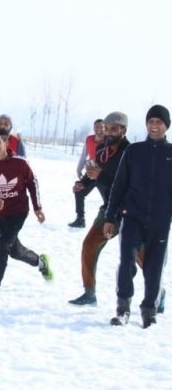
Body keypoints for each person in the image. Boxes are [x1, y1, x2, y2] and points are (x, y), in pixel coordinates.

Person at [104, 105, 172, 328]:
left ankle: (148, 312)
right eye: (151, 121)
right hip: (132, 217)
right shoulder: (134, 151)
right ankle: (123, 309)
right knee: (126, 263)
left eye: (159, 122)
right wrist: (110, 217)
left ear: (166, 126)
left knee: (153, 269)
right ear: (146, 124)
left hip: (160, 223)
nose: (154, 126)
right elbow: (119, 186)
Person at [68, 112, 138, 306]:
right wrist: (83, 183)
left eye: (113, 128)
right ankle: (89, 293)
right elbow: (95, 176)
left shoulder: (131, 153)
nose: (107, 132)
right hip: (109, 210)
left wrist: (101, 176)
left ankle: (157, 293)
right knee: (89, 245)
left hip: (130, 212)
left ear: (124, 130)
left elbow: (129, 185)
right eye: (106, 128)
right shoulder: (101, 151)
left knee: (143, 259)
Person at [0, 127, 52, 297]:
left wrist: (37, 207)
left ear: (6, 142)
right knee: (15, 251)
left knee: (3, 246)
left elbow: (33, 183)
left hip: (18, 211)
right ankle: (41, 263)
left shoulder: (20, 163)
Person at [0, 114, 26, 242]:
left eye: (6, 124)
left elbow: (23, 164)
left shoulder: (17, 143)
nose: (3, 126)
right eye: (1, 123)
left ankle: (9, 236)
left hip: (11, 183)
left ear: (10, 126)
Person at [68, 119, 105, 228]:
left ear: (105, 128)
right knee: (79, 190)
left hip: (104, 173)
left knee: (109, 198)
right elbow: (84, 154)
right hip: (91, 170)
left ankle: (113, 220)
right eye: (96, 127)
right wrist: (79, 168)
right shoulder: (89, 139)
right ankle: (80, 219)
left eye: (101, 127)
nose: (98, 129)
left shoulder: (108, 140)